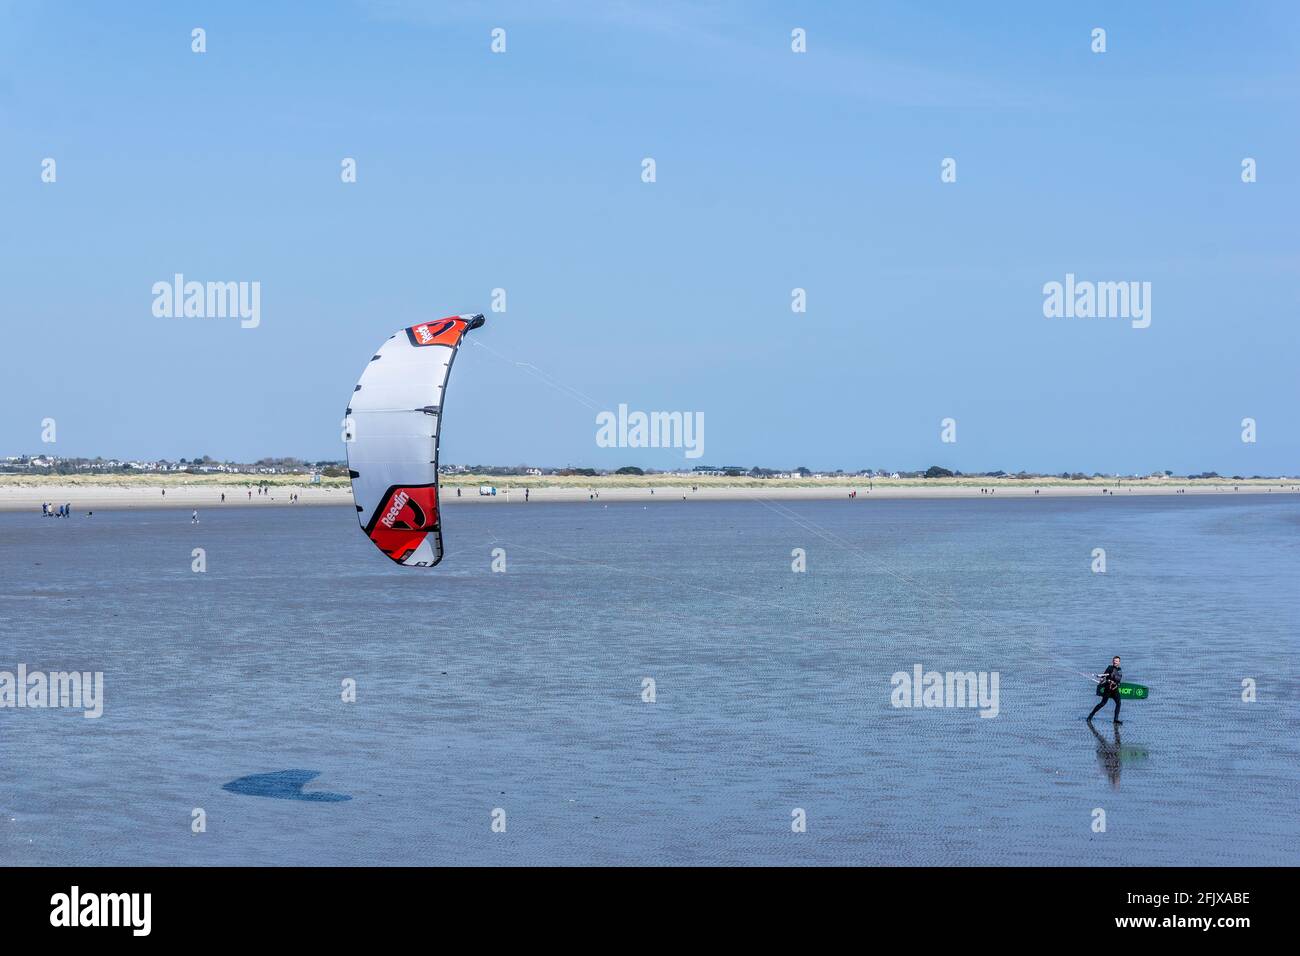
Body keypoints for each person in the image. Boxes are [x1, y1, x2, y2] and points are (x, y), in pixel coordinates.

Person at [1088, 656, 1124, 723]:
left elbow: (1119, 679)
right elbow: (1104, 675)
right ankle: (1091, 715)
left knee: (1118, 703)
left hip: (1115, 689)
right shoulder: (1109, 668)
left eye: (1116, 661)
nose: (1115, 662)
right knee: (1103, 703)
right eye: (1114, 660)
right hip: (1108, 689)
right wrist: (1102, 679)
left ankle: (1115, 719)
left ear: (1119, 662)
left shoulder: (1120, 670)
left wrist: (1115, 682)